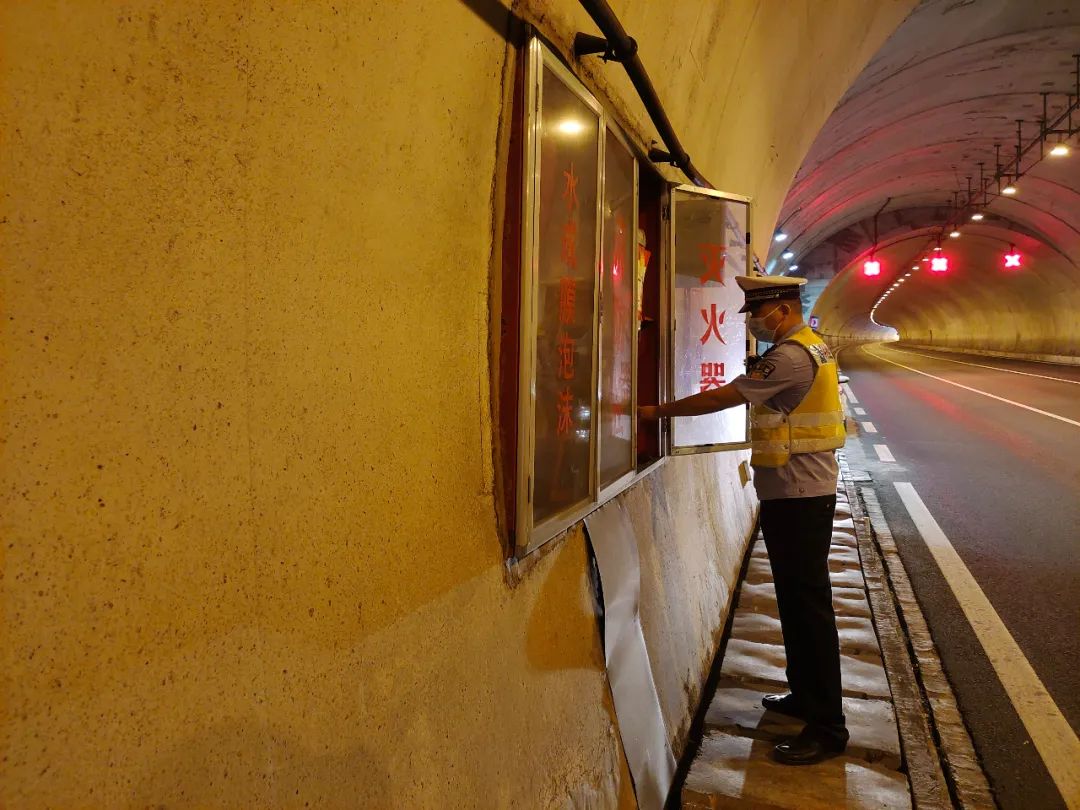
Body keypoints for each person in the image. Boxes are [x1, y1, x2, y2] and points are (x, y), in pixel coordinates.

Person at [638, 274, 848, 765]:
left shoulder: (791, 356)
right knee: (797, 605)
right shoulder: (814, 346)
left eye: (757, 312)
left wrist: (656, 412)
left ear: (780, 308)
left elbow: (724, 397)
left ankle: (827, 727)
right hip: (799, 492)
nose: (753, 321)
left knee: (808, 610)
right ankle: (805, 697)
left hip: (799, 496)